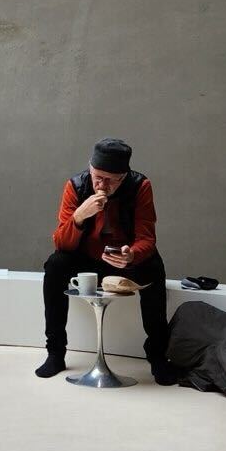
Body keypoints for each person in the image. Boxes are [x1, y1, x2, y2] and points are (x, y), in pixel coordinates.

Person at [38, 137, 177, 384]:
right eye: (97, 177)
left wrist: (132, 254)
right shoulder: (75, 185)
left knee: (154, 267)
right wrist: (80, 216)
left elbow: (147, 238)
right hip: (86, 259)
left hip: (123, 260)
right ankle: (55, 352)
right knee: (55, 265)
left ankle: (157, 356)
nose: (102, 185)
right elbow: (61, 243)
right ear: (90, 168)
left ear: (124, 176)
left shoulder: (140, 186)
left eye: (111, 180)